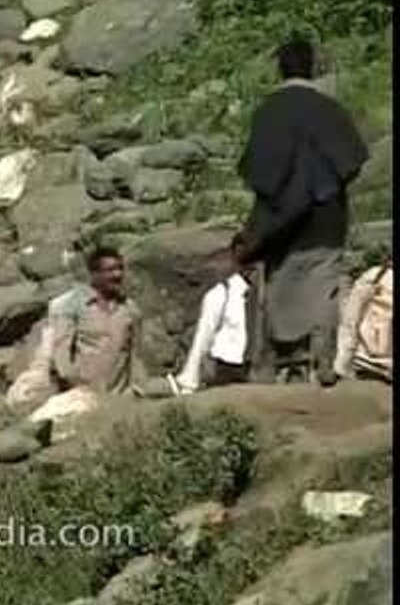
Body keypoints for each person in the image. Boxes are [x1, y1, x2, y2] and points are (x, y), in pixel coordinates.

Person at [238, 35, 369, 385]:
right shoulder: (330, 108)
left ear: (280, 68)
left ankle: (274, 361)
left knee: (280, 282)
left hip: (283, 215)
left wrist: (281, 197)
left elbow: (260, 170)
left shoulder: (270, 110)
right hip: (327, 213)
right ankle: (322, 354)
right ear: (311, 67)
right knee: (323, 281)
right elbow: (352, 159)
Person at [6, 246, 146, 439]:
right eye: (110, 270)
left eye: (120, 268)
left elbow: (135, 354)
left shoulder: (130, 309)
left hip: (119, 395)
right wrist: (75, 383)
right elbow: (61, 353)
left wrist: (138, 387)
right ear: (94, 274)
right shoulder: (72, 306)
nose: (117, 274)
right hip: (82, 394)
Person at [137, 234, 260, 398]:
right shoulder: (221, 294)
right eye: (245, 257)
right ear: (235, 257)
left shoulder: (264, 296)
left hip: (255, 366)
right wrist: (190, 379)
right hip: (226, 367)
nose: (251, 264)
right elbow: (203, 337)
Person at [334, 256, 393, 383]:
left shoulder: (375, 276)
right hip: (370, 365)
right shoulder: (375, 277)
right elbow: (351, 321)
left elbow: (350, 321)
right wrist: (342, 364)